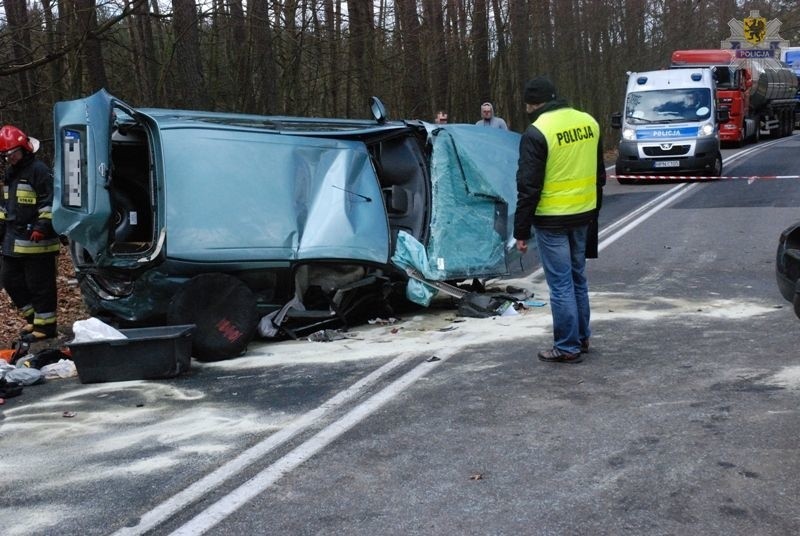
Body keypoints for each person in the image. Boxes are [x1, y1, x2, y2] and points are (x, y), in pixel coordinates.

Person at [513, 76, 606, 364]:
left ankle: (567, 346)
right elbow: (600, 174)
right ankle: (582, 337)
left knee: (561, 284)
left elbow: (528, 186)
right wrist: (594, 212)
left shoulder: (537, 131)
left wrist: (520, 230)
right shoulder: (589, 122)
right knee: (578, 277)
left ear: (532, 104)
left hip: (552, 218)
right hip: (584, 214)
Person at [0, 125, 60, 342]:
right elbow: (7, 206)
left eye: (12, 155)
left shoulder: (39, 170)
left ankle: (46, 328)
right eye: (7, 157)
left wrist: (41, 227)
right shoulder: (11, 173)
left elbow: (50, 202)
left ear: (24, 148)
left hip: (38, 241)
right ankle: (34, 319)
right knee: (9, 279)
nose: (11, 159)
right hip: (13, 239)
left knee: (40, 286)